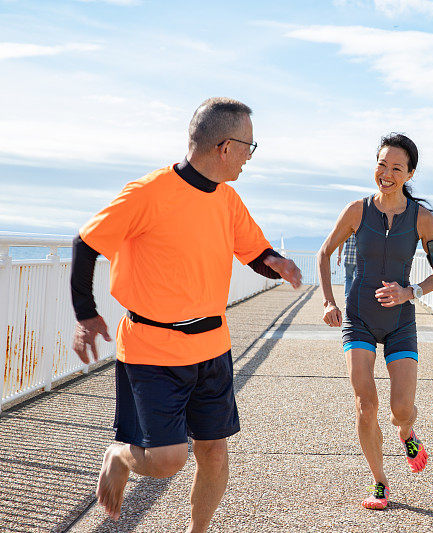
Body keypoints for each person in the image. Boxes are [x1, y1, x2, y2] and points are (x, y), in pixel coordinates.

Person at [70, 97, 302, 532]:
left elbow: (253, 248)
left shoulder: (228, 199)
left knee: (214, 451)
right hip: (152, 347)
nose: (251, 157)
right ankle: (120, 455)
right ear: (225, 147)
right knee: (165, 461)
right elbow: (87, 243)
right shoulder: (149, 192)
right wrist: (86, 314)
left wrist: (276, 263)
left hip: (212, 347)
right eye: (250, 147)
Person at [317, 133, 433, 510]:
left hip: (400, 322)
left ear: (409, 174)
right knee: (365, 404)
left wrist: (410, 292)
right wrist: (328, 301)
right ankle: (379, 481)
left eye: (395, 168)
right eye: (381, 165)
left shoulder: (423, 219)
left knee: (400, 409)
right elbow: (325, 253)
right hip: (358, 318)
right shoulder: (356, 211)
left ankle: (407, 431)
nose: (386, 174)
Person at [337, 233, 357, 298]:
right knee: (359, 280)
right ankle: (357, 300)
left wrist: (339, 256)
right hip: (359, 260)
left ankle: (347, 301)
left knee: (348, 279)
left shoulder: (348, 232)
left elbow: (341, 243)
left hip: (348, 259)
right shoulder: (361, 230)